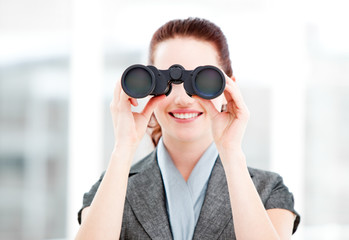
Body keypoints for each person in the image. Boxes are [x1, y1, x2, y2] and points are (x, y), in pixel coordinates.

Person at [75, 17, 300, 240]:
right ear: (149, 86)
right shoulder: (111, 188)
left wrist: (231, 152)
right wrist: (123, 149)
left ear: (228, 88)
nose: (183, 99)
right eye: (166, 84)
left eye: (202, 81)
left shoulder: (268, 190)